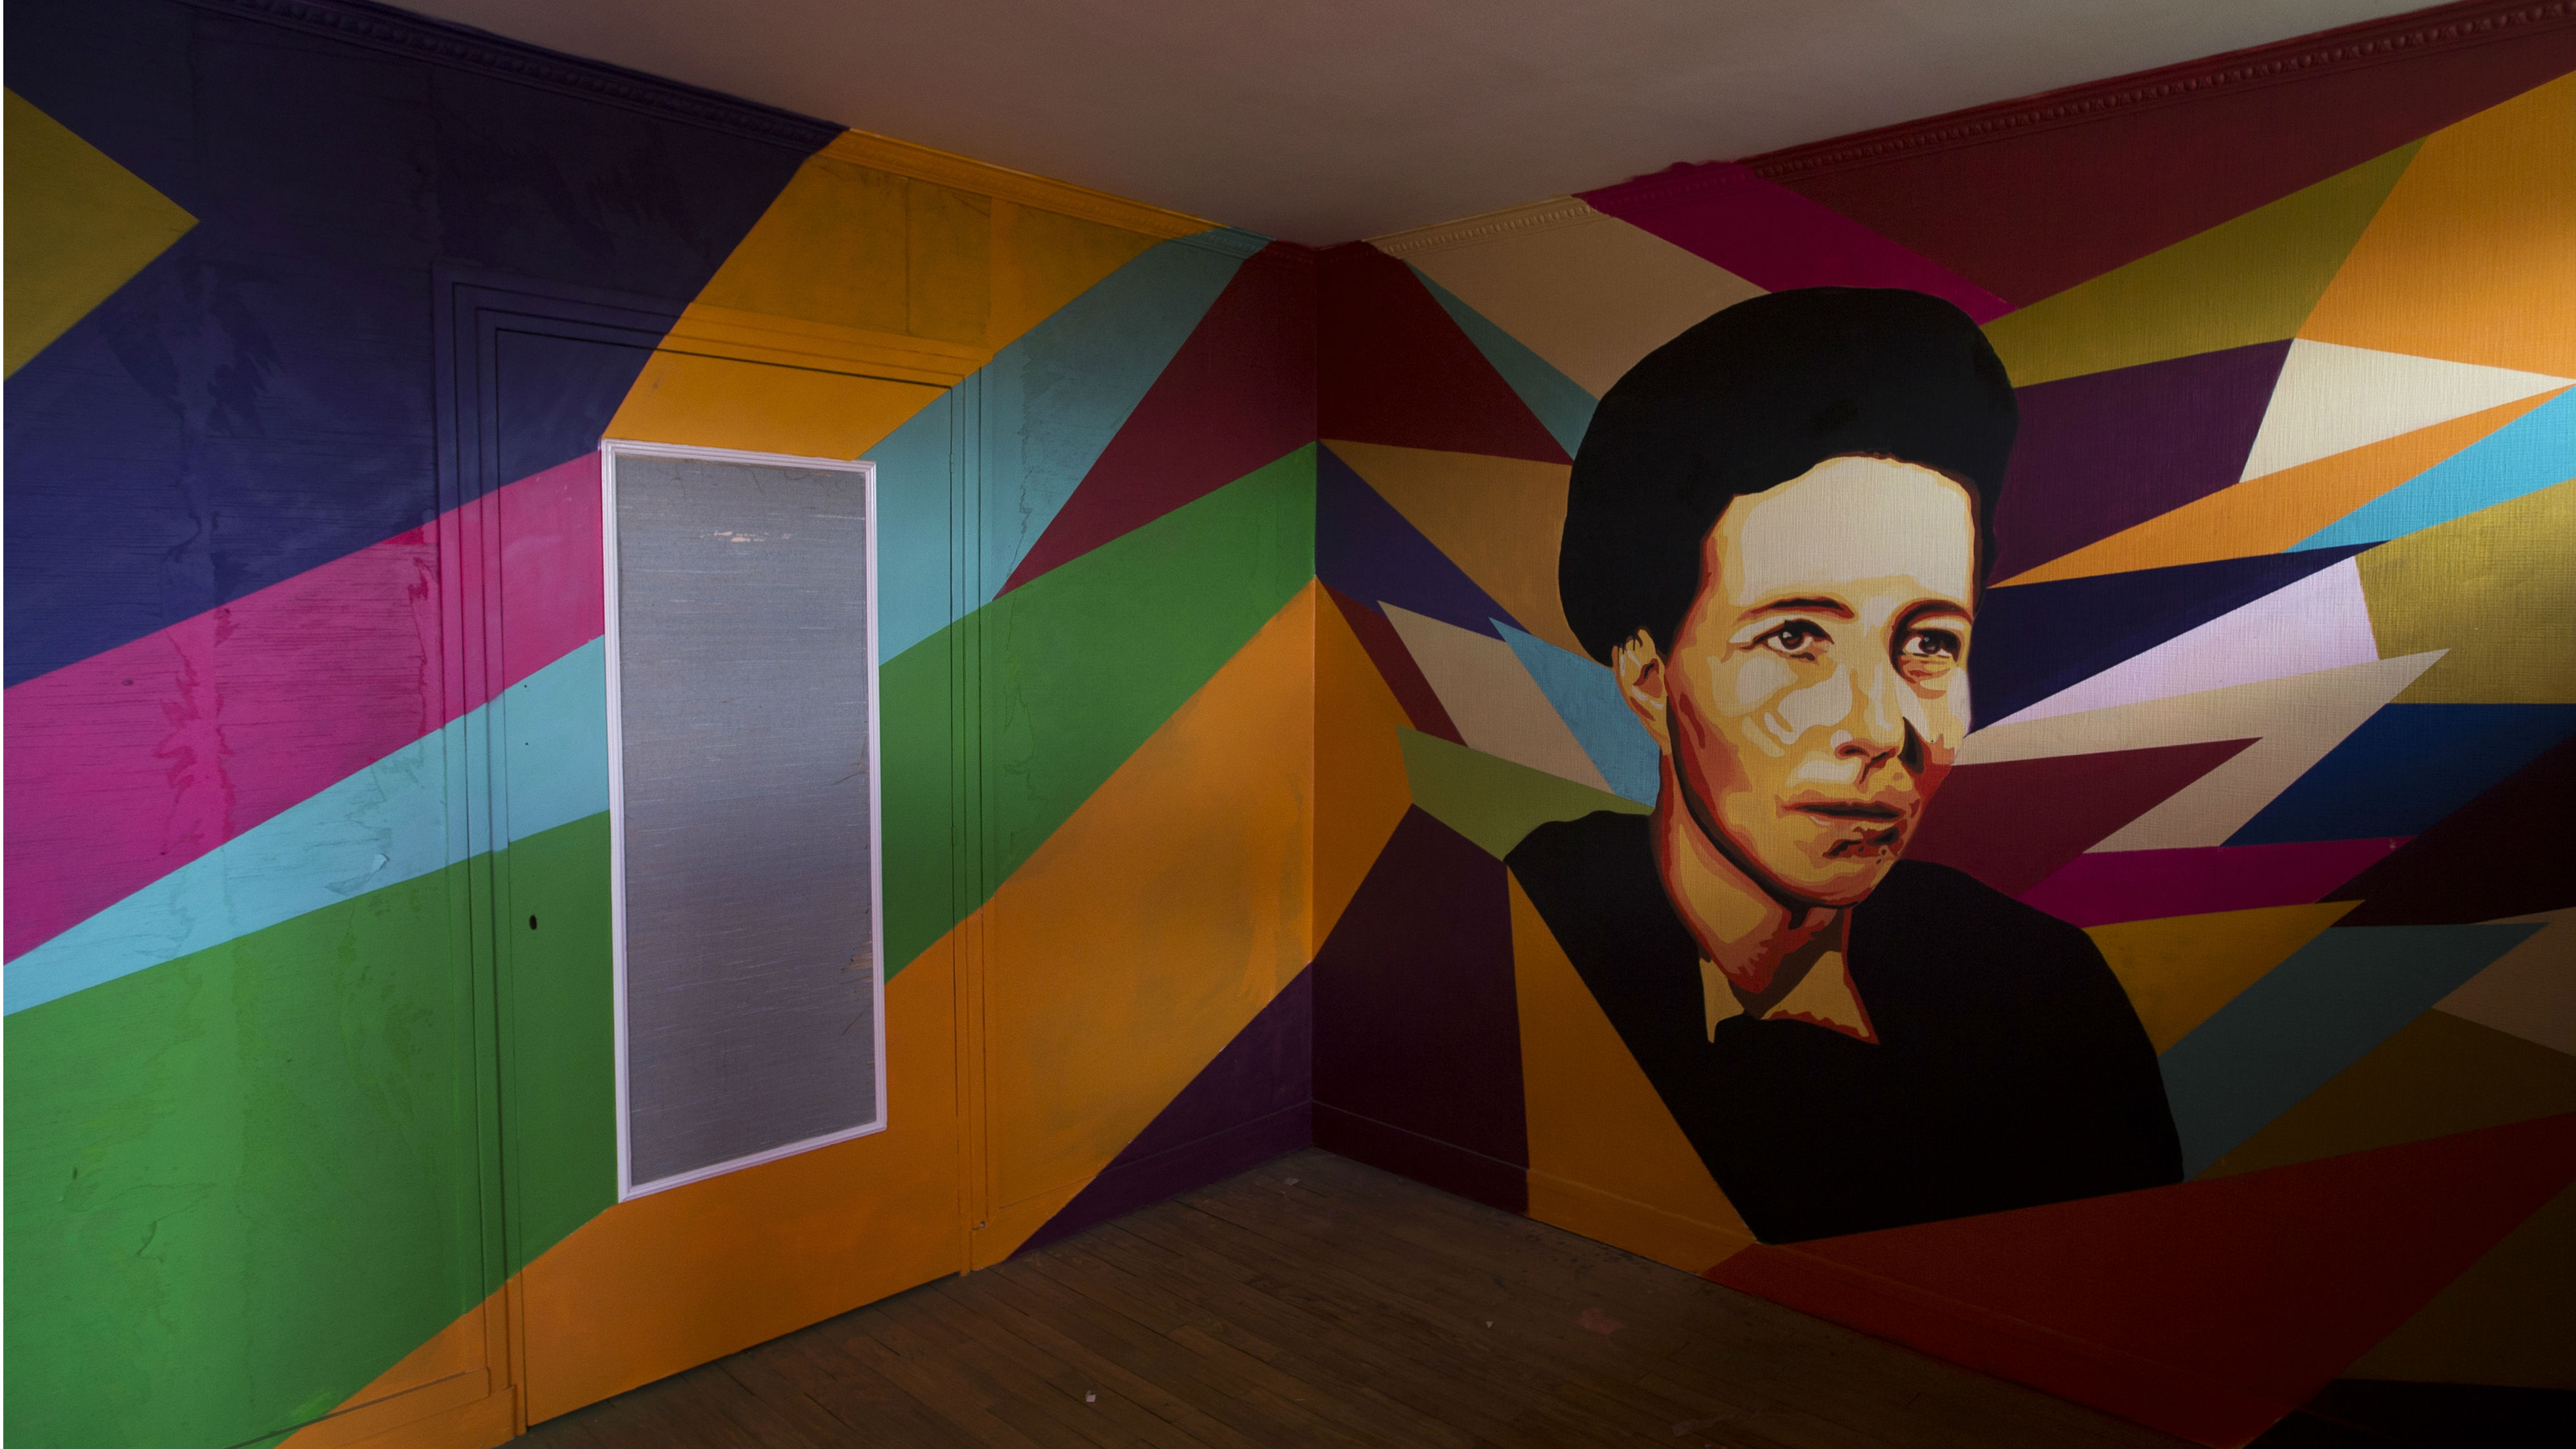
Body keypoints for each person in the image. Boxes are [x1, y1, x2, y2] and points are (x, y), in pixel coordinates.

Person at [1508, 287, 2182, 1244]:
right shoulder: (1517, 943)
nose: (1880, 728)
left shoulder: (2043, 1004)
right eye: (1795, 637)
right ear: (1649, 675)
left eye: (1931, 643)